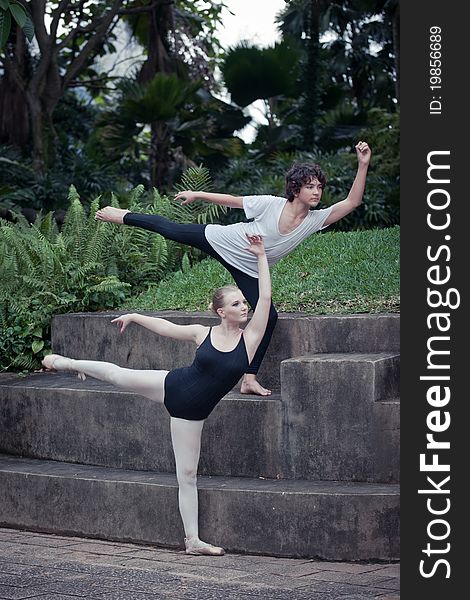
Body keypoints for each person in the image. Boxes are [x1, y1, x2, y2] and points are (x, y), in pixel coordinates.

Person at [42, 235, 271, 557]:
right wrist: (135, 316)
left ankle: (192, 541)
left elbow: (265, 296)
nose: (243, 307)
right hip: (173, 385)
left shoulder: (251, 338)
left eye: (243, 303)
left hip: (191, 415)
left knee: (187, 475)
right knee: (117, 375)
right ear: (221, 311)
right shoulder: (202, 333)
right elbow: (165, 328)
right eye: (236, 304)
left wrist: (260, 255)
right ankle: (68, 363)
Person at [95, 141, 372, 396]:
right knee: (174, 230)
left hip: (250, 267)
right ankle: (124, 216)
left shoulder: (316, 219)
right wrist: (198, 194)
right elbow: (233, 200)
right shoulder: (272, 205)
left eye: (319, 187)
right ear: (296, 188)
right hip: (222, 241)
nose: (316, 192)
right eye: (310, 186)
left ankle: (249, 379)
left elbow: (352, 202)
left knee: (270, 317)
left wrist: (362, 165)